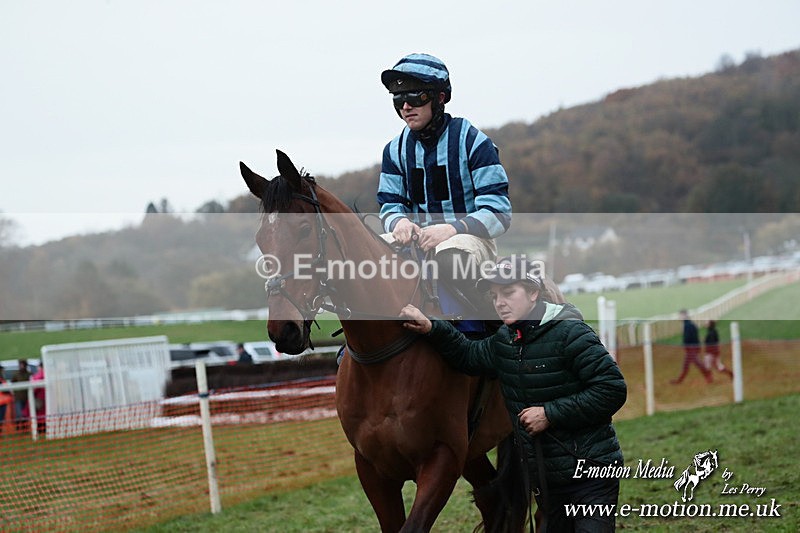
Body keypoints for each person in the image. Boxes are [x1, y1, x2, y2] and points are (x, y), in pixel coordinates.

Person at [400, 256, 627, 532]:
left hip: (591, 474)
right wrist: (432, 327)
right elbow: (468, 355)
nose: (500, 302)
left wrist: (549, 414)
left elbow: (612, 389)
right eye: (495, 296)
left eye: (508, 292)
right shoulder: (505, 340)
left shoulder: (572, 333)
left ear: (533, 293)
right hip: (546, 479)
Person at [377, 53, 512, 323]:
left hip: (469, 240)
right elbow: (390, 205)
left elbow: (499, 213)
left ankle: (500, 332)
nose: (406, 106)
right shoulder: (394, 150)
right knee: (366, 259)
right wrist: (398, 222)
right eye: (398, 99)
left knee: (450, 258)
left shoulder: (474, 142)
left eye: (415, 97)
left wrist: (452, 229)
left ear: (439, 98)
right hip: (415, 241)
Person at [671, 310, 712, 384]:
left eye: (680, 316)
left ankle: (708, 375)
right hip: (692, 347)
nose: (679, 317)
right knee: (688, 364)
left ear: (684, 316)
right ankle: (679, 380)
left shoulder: (687, 325)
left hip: (691, 348)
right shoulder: (690, 324)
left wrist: (686, 344)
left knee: (696, 363)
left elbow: (688, 337)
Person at [11, 359, 31, 429]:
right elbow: (12, 384)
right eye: (20, 365)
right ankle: (18, 427)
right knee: (19, 413)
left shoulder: (29, 374)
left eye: (23, 365)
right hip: (18, 397)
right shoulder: (16, 374)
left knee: (25, 413)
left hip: (27, 397)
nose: (21, 366)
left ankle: (25, 427)